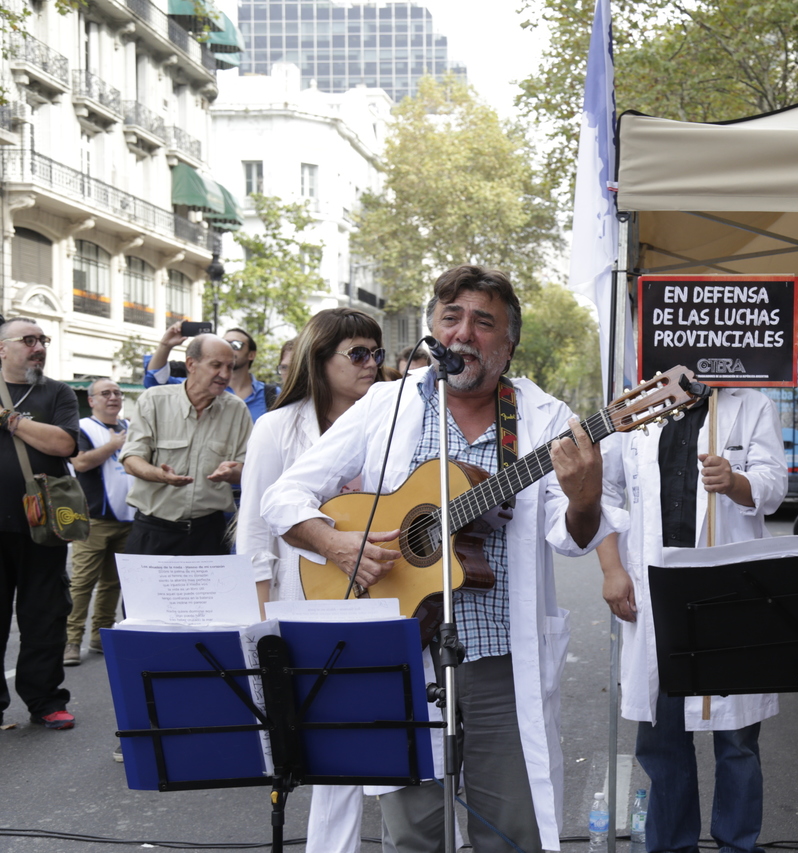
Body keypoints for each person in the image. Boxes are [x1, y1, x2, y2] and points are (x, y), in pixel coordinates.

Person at [261, 265, 623, 853]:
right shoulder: (386, 404)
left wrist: (584, 498)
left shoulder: (545, 420)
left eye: (484, 322)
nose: (463, 333)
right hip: (397, 654)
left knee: (512, 834)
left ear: (508, 345)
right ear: (433, 329)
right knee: (414, 835)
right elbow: (284, 495)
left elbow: (572, 537)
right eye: (451, 317)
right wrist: (334, 544)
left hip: (499, 662)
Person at [598, 388, 787, 853]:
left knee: (737, 738)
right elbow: (603, 489)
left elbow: (774, 486)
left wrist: (735, 481)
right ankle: (671, 845)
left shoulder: (753, 405)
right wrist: (612, 569)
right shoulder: (637, 402)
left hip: (727, 589)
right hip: (656, 589)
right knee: (661, 737)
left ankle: (737, 845)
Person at [237, 308, 383, 853]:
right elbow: (254, 534)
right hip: (303, 606)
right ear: (319, 360)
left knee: (401, 743)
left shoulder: (392, 421)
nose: (372, 364)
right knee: (331, 753)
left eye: (377, 353)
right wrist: (261, 631)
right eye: (358, 353)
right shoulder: (277, 428)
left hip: (389, 596)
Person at [0, 318, 80, 730]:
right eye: (28, 340)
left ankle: (45, 701)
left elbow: (64, 443)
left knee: (45, 617)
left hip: (45, 525)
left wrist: (11, 420)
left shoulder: (58, 392)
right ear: (2, 349)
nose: (39, 347)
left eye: (42, 340)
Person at [121, 335, 252, 556]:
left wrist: (232, 473)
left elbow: (248, 469)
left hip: (209, 534)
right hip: (154, 531)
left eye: (230, 367)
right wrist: (159, 475)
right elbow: (131, 459)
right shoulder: (154, 400)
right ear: (191, 364)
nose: (224, 374)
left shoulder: (237, 410)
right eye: (216, 365)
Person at [63, 378, 134, 668]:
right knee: (82, 583)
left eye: (117, 393)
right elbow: (80, 462)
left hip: (128, 518)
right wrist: (113, 445)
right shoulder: (83, 427)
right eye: (105, 393)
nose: (113, 397)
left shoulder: (129, 427)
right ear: (91, 400)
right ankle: (71, 640)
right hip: (93, 520)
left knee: (113, 583)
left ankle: (100, 636)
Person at [143, 323, 277, 420]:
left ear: (251, 354)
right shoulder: (198, 387)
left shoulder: (271, 394)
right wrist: (165, 346)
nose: (229, 348)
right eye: (225, 343)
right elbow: (155, 381)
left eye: (236, 345)